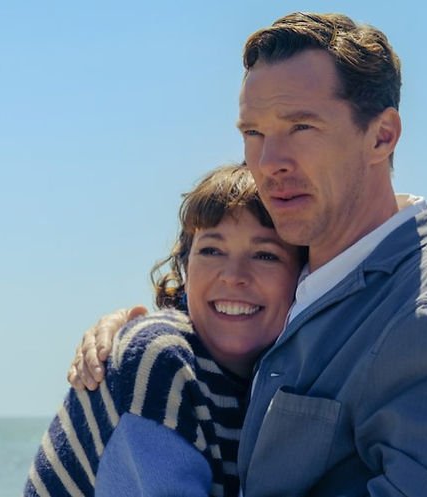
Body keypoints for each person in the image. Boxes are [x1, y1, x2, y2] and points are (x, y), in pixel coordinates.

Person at [72, 12, 427, 496]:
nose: (269, 163)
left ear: (381, 136)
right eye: (253, 133)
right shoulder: (303, 270)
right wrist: (142, 332)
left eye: (301, 126)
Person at [25, 164, 304, 497]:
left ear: (304, 277)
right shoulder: (158, 356)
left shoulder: (275, 376)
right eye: (211, 250)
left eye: (264, 255)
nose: (233, 275)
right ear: (185, 269)